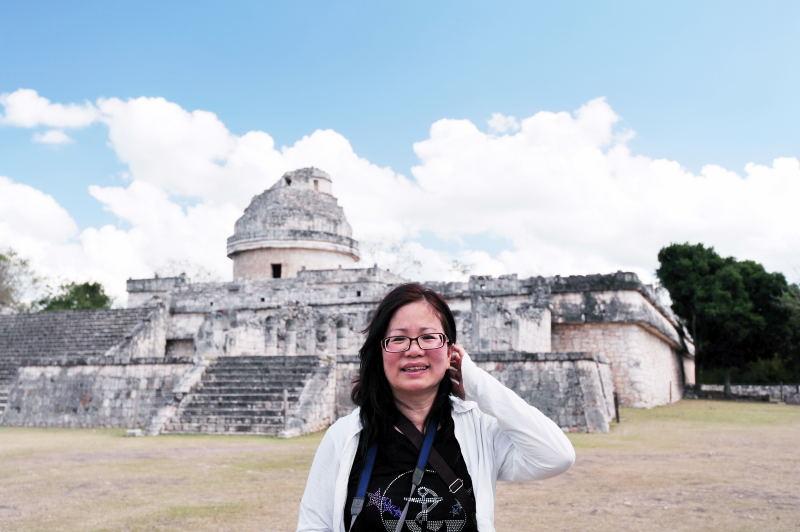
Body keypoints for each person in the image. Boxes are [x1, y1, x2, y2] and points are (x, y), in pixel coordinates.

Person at [297, 283, 575, 532]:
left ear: (450, 350)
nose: (413, 350)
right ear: (379, 352)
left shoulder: (479, 430)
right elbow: (314, 525)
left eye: (429, 337)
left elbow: (556, 455)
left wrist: (476, 382)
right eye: (398, 339)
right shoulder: (345, 436)